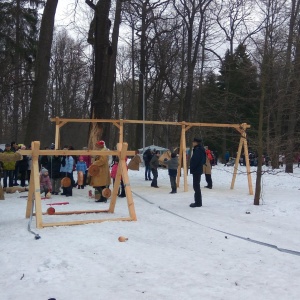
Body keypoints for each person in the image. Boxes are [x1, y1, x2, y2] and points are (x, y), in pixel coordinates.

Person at [189, 138, 206, 208]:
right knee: (196, 186)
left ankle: (198, 202)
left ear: (196, 143)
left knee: (196, 186)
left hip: (196, 170)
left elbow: (195, 160)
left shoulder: (198, 150)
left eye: (193, 142)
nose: (192, 143)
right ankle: (198, 202)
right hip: (198, 169)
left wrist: (192, 167)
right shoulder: (200, 149)